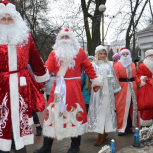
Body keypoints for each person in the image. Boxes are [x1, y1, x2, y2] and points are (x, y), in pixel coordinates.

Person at [33, 28, 102, 153]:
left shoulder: (80, 52)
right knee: (53, 115)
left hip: (74, 90)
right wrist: (39, 81)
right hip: (58, 89)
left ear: (72, 39)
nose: (64, 40)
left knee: (74, 114)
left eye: (67, 37)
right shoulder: (53, 53)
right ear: (58, 40)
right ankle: (46, 147)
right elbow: (47, 69)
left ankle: (75, 146)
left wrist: (95, 81)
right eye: (62, 37)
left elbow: (88, 67)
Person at [0, 1, 49, 153]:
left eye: (10, 18)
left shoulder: (25, 37)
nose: (7, 22)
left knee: (21, 125)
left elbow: (36, 61)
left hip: (22, 86)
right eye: (3, 18)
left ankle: (19, 146)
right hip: (1, 86)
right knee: (3, 120)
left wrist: (42, 81)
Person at [87, 45, 121, 146]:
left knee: (107, 111)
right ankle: (100, 134)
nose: (103, 55)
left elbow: (114, 77)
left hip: (109, 91)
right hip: (99, 92)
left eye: (104, 54)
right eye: (101, 54)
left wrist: (116, 88)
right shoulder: (93, 65)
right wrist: (96, 83)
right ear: (97, 54)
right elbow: (91, 77)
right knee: (100, 112)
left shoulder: (109, 65)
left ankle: (105, 131)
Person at [114, 48, 141, 136]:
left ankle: (133, 126)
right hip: (122, 88)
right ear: (121, 55)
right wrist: (116, 89)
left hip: (132, 87)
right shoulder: (117, 65)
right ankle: (122, 128)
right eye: (124, 54)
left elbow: (135, 75)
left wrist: (140, 82)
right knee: (122, 107)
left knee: (133, 106)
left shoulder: (133, 64)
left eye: (127, 54)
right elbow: (115, 78)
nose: (125, 55)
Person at [136, 49, 153, 127]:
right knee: (147, 105)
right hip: (146, 87)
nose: (152, 57)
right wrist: (143, 78)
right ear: (146, 56)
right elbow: (138, 75)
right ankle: (146, 124)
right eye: (150, 55)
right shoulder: (142, 66)